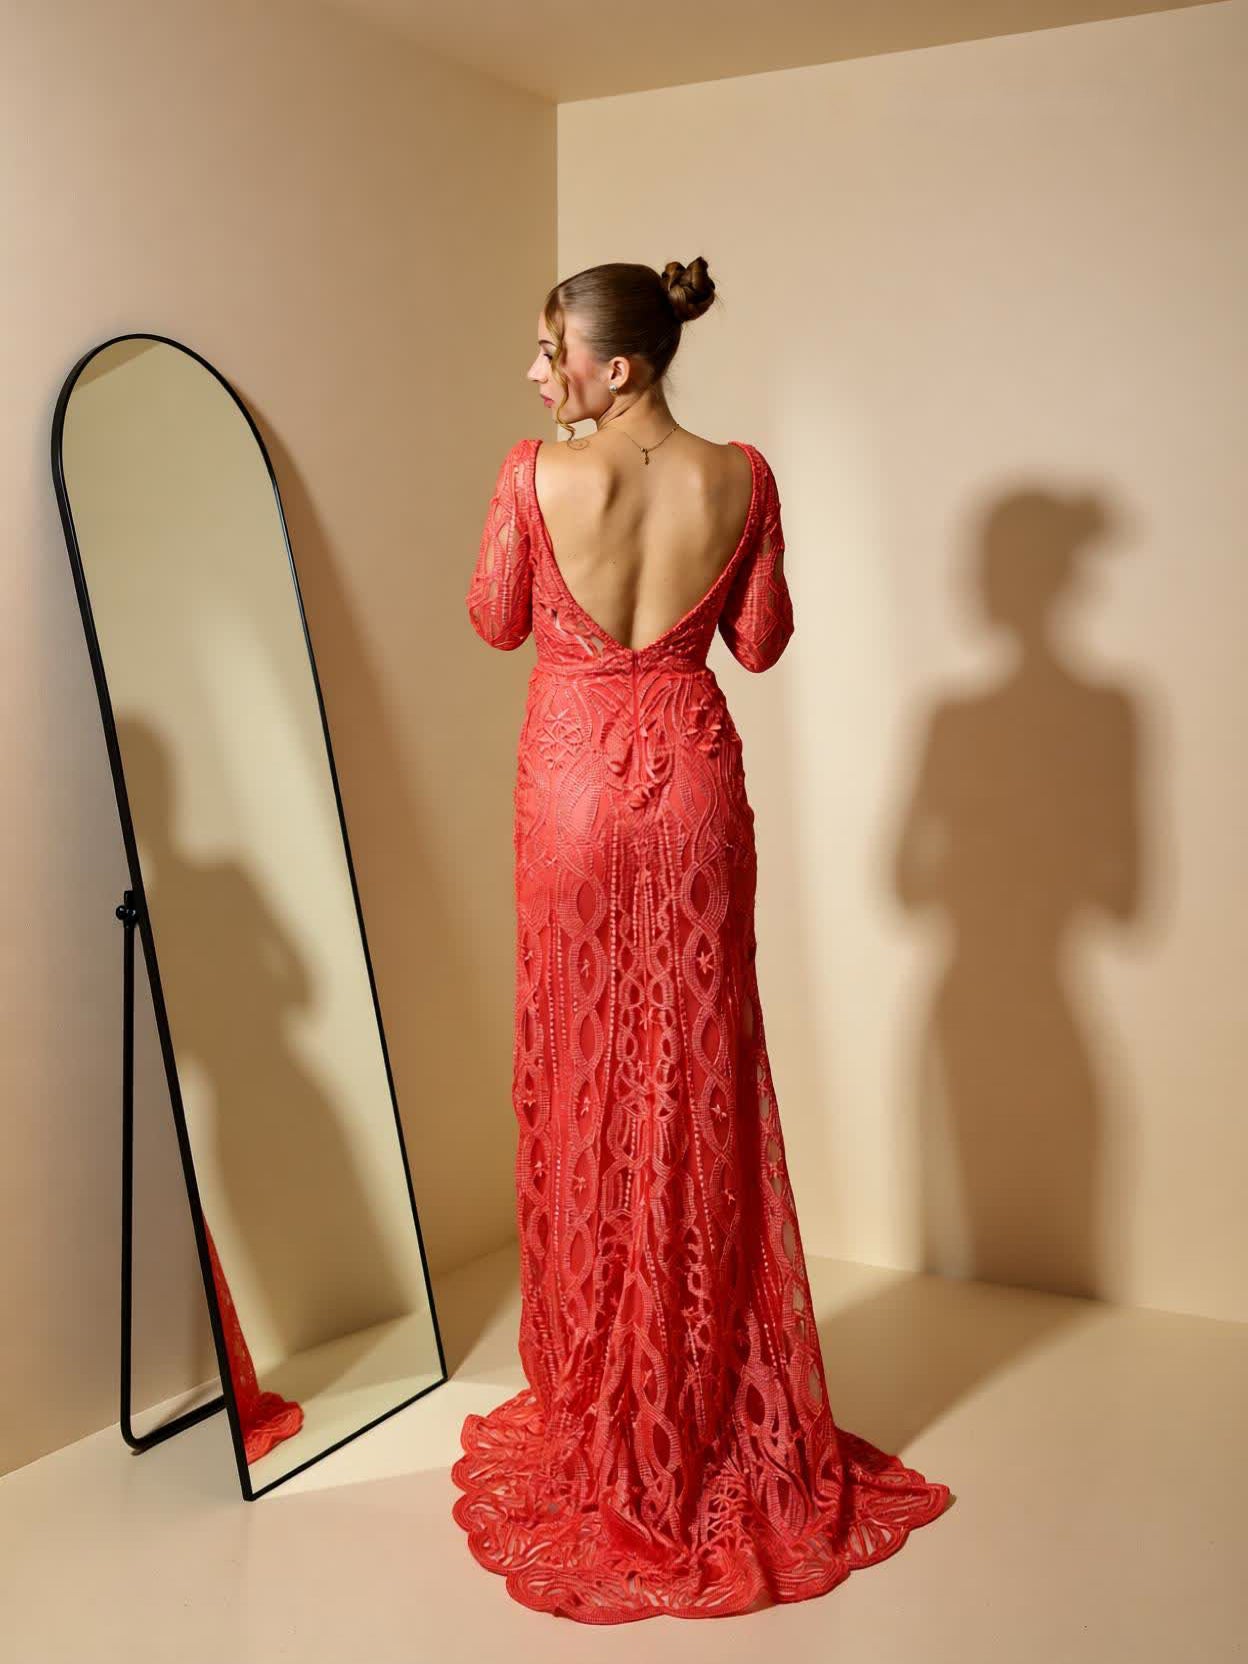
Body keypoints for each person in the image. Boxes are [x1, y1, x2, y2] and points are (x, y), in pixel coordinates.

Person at [453, 259, 951, 1622]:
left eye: (552, 350)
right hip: (691, 783)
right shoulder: (743, 476)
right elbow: (763, 639)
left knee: (586, 1079)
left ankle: (606, 1401)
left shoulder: (531, 474)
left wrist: (565, 551)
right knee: (693, 1077)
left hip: (570, 790)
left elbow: (497, 620)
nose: (538, 373)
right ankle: (698, 1398)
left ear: (615, 366)